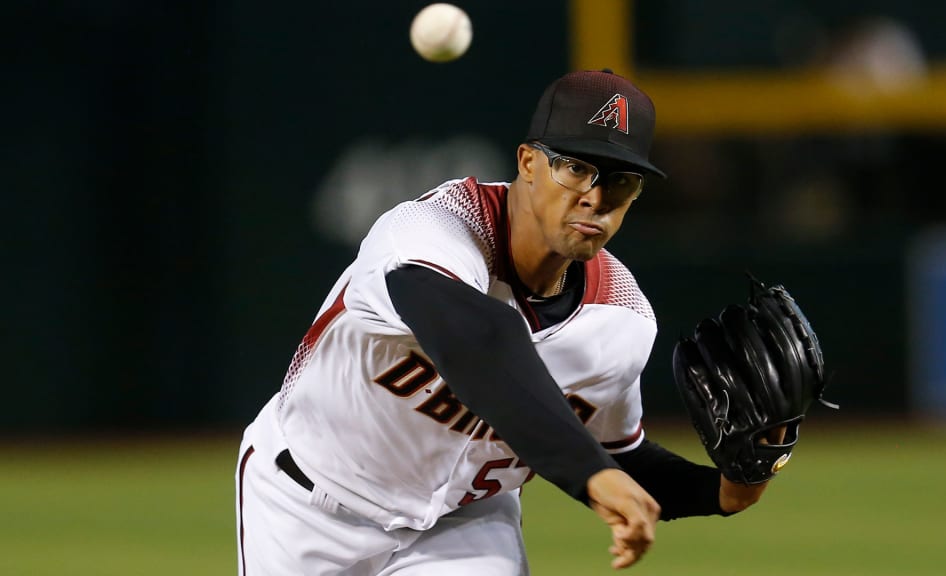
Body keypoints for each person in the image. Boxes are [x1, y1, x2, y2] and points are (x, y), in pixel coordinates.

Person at [235, 69, 773, 576]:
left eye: (621, 181)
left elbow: (618, 453)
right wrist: (590, 474)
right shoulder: (428, 231)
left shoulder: (621, 321)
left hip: (462, 528)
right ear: (528, 162)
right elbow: (480, 339)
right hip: (303, 503)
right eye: (576, 168)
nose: (595, 197)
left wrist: (724, 493)